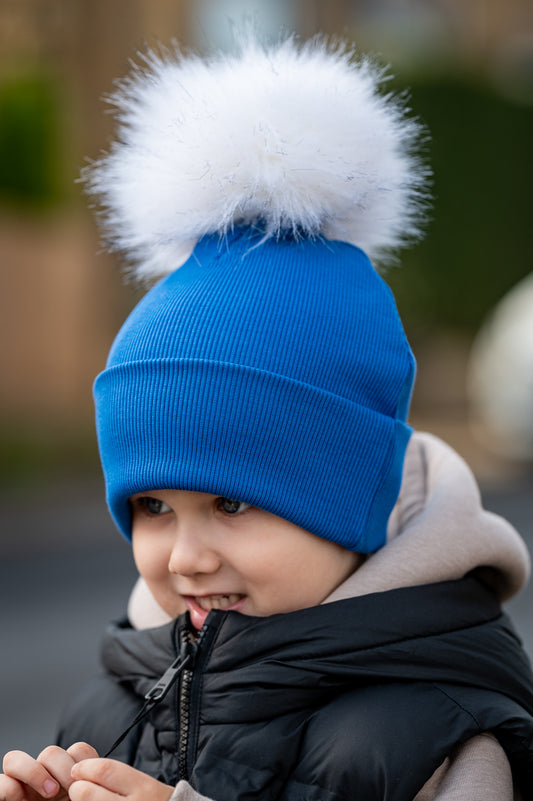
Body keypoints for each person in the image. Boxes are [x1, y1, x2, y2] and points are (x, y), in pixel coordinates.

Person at [1, 34, 533, 801]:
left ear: (351, 494)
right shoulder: (109, 701)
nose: (184, 556)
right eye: (153, 505)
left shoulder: (442, 736)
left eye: (232, 501)